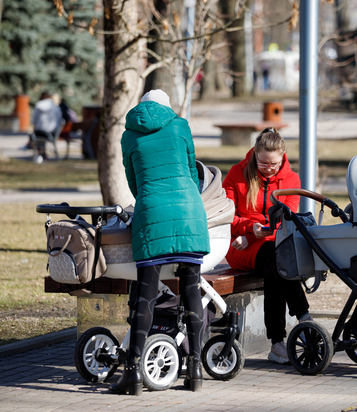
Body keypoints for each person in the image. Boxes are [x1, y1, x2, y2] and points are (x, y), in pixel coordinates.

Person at [110, 90, 210, 395]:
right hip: (190, 212)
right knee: (191, 289)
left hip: (152, 212)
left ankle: (134, 373)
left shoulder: (129, 136)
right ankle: (194, 370)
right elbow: (193, 172)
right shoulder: (180, 126)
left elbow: (133, 182)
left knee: (146, 293)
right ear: (167, 107)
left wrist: (151, 200)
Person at [222, 128, 312, 365]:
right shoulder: (237, 174)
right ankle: (304, 317)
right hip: (239, 246)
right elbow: (226, 216)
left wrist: (253, 235)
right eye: (262, 163)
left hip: (272, 243)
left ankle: (277, 343)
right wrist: (249, 231)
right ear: (255, 155)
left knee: (275, 267)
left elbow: (285, 219)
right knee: (277, 259)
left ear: (283, 158)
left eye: (273, 164)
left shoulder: (291, 180)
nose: (268, 168)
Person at [24, 92, 63, 160]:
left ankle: (40, 154)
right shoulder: (55, 106)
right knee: (40, 135)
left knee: (36, 134)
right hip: (52, 132)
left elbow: (34, 120)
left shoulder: (39, 105)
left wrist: (35, 126)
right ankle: (42, 154)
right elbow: (59, 119)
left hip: (40, 132)